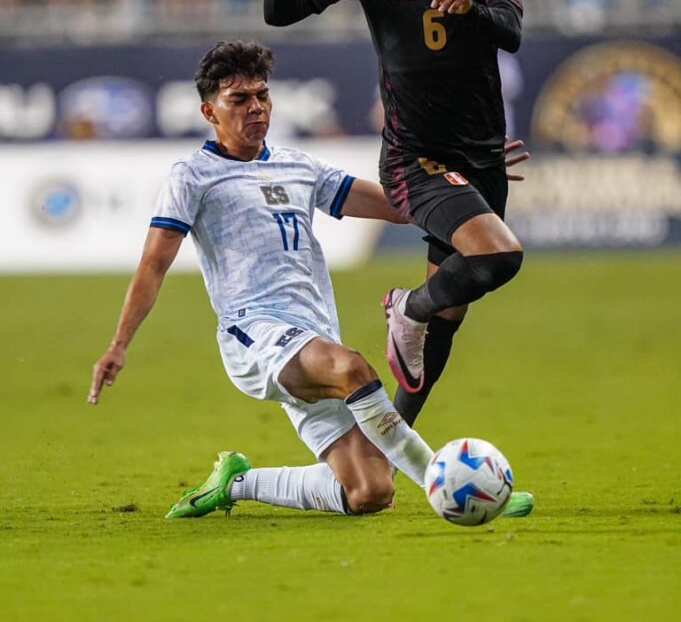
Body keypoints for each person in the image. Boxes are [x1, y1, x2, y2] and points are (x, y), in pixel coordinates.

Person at [87, 40, 535, 520]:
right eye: (239, 100)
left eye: (262, 95)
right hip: (254, 335)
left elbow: (398, 206)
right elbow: (154, 263)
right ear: (209, 112)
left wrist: (465, 178)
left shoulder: (297, 165)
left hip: (313, 337)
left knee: (368, 491)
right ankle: (450, 484)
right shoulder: (192, 177)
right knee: (352, 369)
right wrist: (119, 343)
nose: (256, 107)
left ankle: (237, 482)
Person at [265, 0, 527, 427]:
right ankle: (404, 308)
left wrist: (474, 10)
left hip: (480, 156)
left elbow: (509, 29)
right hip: (414, 156)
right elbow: (283, 11)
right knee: (500, 255)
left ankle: (390, 444)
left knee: (451, 314)